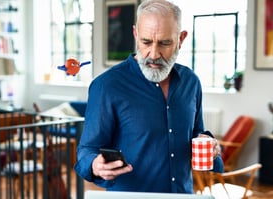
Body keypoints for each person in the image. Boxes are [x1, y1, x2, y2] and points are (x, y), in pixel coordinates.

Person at [74, 0, 223, 193]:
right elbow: (87, 150)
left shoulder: (191, 82)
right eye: (146, 42)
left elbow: (196, 134)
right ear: (136, 34)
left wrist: (211, 146)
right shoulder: (107, 86)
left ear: (181, 39)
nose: (154, 53)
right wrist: (94, 164)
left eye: (165, 43)